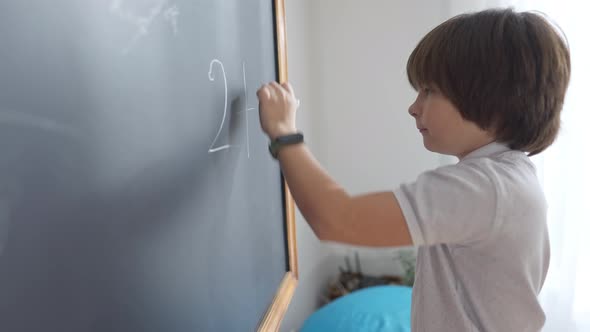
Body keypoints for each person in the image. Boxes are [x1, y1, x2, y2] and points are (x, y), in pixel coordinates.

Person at [256, 7, 570, 332]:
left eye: (429, 91)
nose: (413, 107)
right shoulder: (513, 178)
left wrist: (284, 132)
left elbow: (337, 220)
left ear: (492, 99)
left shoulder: (484, 186)